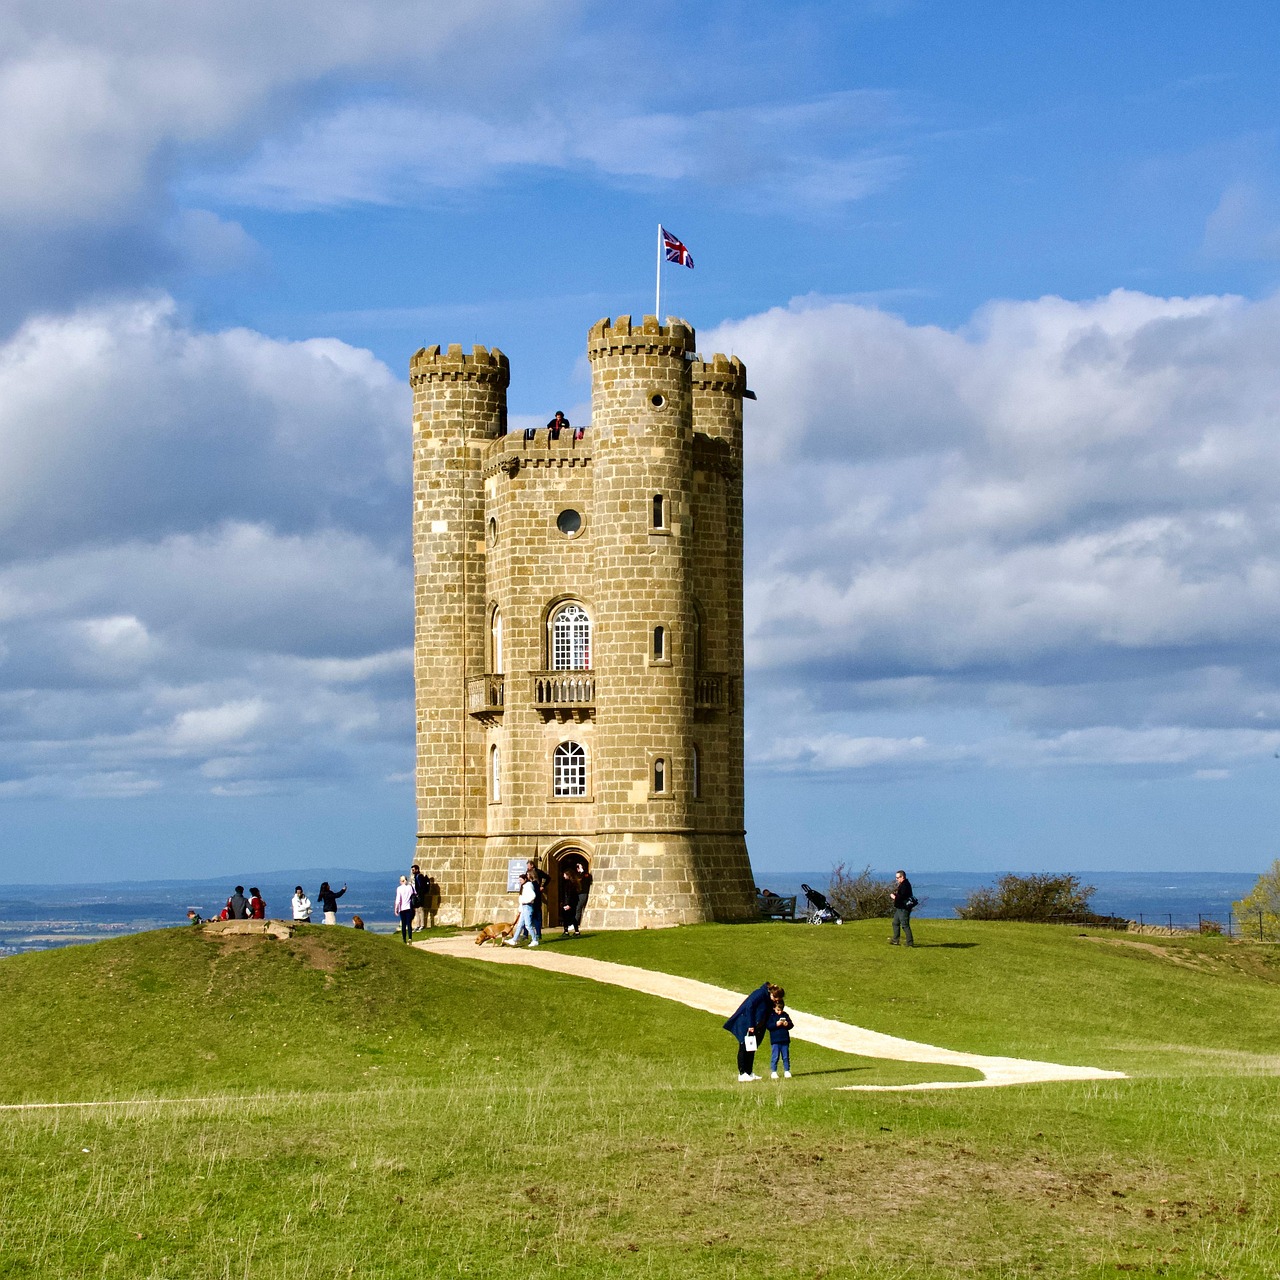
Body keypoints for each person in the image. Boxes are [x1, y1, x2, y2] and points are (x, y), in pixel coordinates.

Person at [723, 981, 779, 1082]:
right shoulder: (760, 993)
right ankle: (742, 1073)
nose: (775, 1001)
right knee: (743, 1047)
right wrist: (750, 1025)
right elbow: (749, 1007)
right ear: (772, 993)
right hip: (745, 1023)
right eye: (775, 998)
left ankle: (749, 1072)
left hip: (757, 1026)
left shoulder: (768, 999)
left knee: (751, 1048)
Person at [505, 874, 541, 948]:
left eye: (521, 880)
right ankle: (514, 940)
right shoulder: (524, 887)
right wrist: (520, 909)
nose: (520, 881)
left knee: (528, 925)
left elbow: (533, 896)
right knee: (520, 925)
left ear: (525, 879)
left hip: (528, 907)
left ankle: (535, 940)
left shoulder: (528, 886)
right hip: (524, 907)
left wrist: (526, 901)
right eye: (519, 880)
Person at [767, 991, 793, 1079]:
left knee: (785, 1056)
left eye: (781, 1010)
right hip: (775, 1040)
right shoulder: (771, 1015)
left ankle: (787, 1070)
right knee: (775, 1056)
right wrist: (776, 1024)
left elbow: (791, 1025)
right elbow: (769, 1026)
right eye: (778, 1010)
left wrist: (787, 1024)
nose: (779, 1012)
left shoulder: (785, 1015)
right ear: (774, 1008)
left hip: (784, 1040)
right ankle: (774, 1071)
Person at [889, 869, 917, 947]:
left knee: (905, 925)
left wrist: (894, 897)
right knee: (895, 923)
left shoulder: (905, 885)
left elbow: (902, 897)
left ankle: (910, 943)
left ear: (902, 877)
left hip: (904, 908)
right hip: (899, 908)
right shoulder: (903, 884)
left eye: (897, 878)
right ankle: (895, 940)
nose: (896, 879)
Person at [571, 859, 592, 936]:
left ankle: (575, 924)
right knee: (577, 908)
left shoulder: (586, 874)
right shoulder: (577, 874)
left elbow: (585, 880)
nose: (578, 868)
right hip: (578, 893)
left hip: (583, 893)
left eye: (579, 866)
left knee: (579, 908)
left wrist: (582, 871)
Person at [394, 875, 415, 942]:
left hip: (402, 909)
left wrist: (396, 909)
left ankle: (404, 939)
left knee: (403, 924)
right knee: (409, 923)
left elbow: (398, 900)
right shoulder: (410, 887)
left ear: (401, 881)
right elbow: (414, 893)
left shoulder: (399, 888)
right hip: (409, 908)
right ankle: (410, 938)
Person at [558, 869, 577, 938]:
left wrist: (568, 904)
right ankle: (568, 931)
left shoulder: (569, 884)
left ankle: (571, 932)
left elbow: (569, 895)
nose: (563, 876)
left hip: (568, 903)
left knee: (569, 917)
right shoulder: (571, 883)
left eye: (565, 875)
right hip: (569, 902)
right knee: (568, 917)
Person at [411, 863, 430, 932]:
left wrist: (419, 894)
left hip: (420, 895)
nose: (412, 871)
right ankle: (417, 925)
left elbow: (422, 887)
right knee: (417, 910)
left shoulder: (419, 876)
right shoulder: (416, 877)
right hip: (416, 895)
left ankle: (422, 925)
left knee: (421, 910)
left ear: (417, 870)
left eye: (413, 870)